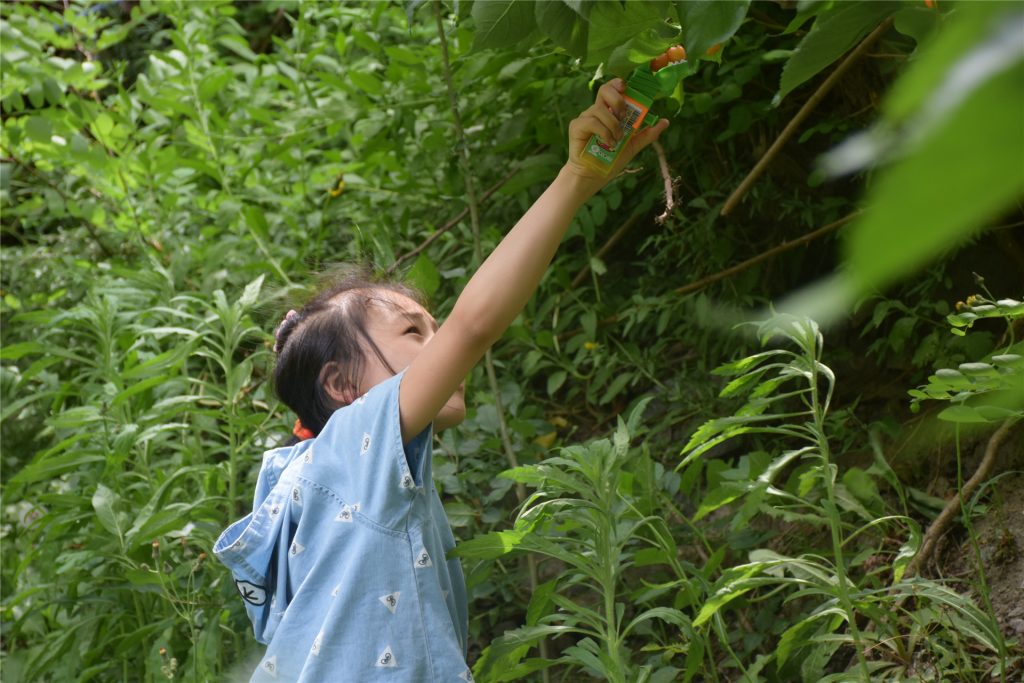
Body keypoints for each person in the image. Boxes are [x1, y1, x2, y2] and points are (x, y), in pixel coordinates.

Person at [213, 79, 669, 682]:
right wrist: (576, 179)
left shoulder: (309, 481)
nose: (440, 346)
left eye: (434, 330)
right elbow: (475, 324)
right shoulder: (355, 445)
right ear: (343, 386)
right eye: (414, 334)